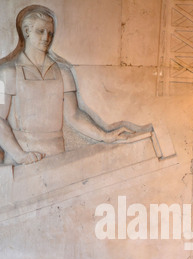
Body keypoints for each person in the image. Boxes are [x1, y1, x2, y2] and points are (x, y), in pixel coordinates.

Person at [0, 5, 151, 166]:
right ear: (26, 31)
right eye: (40, 31)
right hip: (21, 161)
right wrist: (20, 155)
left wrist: (104, 136)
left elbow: (74, 115)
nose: (46, 37)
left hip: (57, 156)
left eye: (50, 33)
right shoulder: (6, 73)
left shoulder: (63, 72)